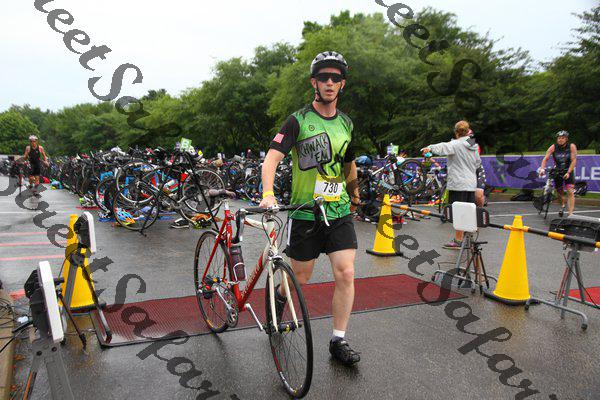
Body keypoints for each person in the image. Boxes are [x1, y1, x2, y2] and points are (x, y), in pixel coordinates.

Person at [260, 51, 361, 366]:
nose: (329, 82)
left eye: (335, 78)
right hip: (305, 212)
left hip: (338, 210)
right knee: (299, 278)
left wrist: (355, 194)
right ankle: (278, 297)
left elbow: (349, 163)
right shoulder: (298, 120)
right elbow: (272, 158)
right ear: (314, 82)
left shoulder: (346, 123)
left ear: (342, 84)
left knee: (346, 272)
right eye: (323, 77)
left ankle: (338, 339)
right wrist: (268, 192)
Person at [421, 120, 481, 249]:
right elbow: (478, 163)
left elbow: (442, 147)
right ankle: (469, 239)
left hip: (458, 183)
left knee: (459, 213)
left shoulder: (455, 144)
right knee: (469, 212)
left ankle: (458, 241)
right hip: (471, 183)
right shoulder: (473, 144)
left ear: (456, 132)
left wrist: (429, 148)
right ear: (468, 131)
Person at [539, 130, 577, 216]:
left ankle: (570, 213)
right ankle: (562, 205)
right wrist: (542, 169)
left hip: (568, 170)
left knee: (570, 191)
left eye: (563, 138)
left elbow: (574, 160)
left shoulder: (571, 146)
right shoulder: (553, 147)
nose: (560, 139)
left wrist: (568, 172)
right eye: (559, 138)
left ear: (566, 139)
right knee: (559, 192)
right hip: (558, 171)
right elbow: (545, 159)